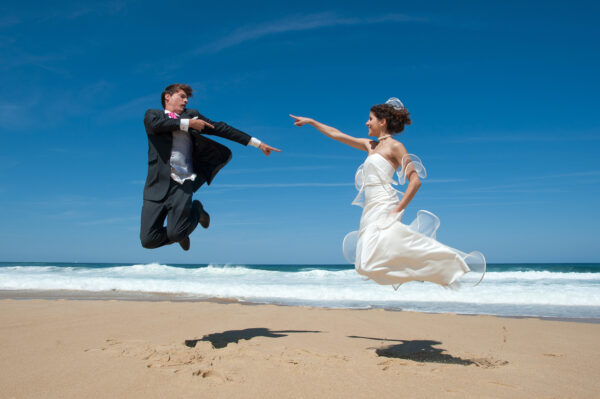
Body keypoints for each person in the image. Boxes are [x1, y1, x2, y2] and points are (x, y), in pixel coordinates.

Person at [290, 98, 485, 288]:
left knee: (371, 260)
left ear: (382, 122)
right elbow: (337, 135)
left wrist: (397, 210)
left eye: (370, 119)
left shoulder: (396, 147)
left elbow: (415, 182)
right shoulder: (370, 145)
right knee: (363, 265)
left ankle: (442, 266)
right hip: (370, 208)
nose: (366, 122)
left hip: (385, 204)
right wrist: (312, 122)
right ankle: (419, 270)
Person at [140, 83, 280, 251]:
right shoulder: (153, 115)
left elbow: (221, 128)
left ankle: (196, 211)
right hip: (156, 185)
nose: (185, 101)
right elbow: (156, 126)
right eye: (182, 96)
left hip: (182, 183)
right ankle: (182, 233)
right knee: (148, 241)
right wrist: (188, 124)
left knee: (176, 233)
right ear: (167, 97)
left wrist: (257, 143)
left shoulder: (193, 116)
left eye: (187, 98)